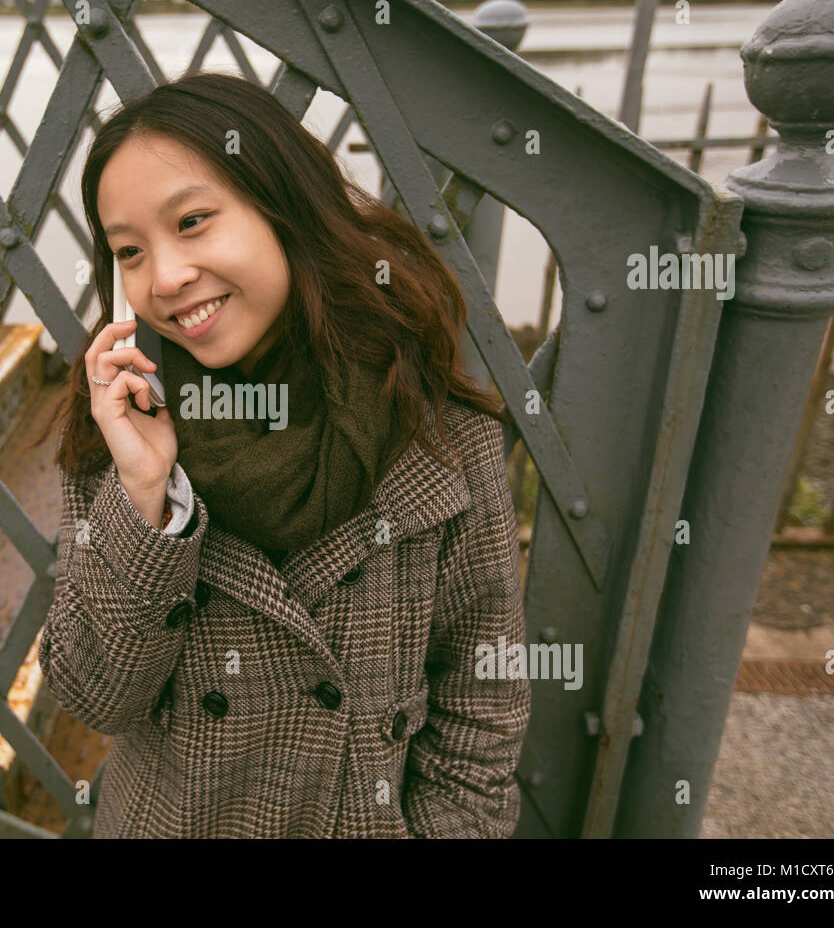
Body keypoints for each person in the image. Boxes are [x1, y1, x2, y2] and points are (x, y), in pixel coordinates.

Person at [35, 71, 530, 838]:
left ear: (285, 208)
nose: (164, 277)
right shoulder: (121, 421)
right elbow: (94, 696)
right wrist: (144, 494)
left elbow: (480, 714)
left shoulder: (434, 426)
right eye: (129, 250)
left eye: (193, 221)